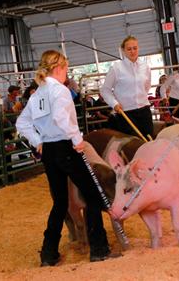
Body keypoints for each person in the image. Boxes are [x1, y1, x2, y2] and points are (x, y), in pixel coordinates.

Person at [16, 50, 121, 266]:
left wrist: (38, 142)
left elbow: (22, 124)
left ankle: (48, 254)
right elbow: (61, 118)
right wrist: (76, 140)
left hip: (49, 152)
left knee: (60, 203)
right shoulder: (60, 91)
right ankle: (99, 249)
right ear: (58, 67)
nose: (67, 73)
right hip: (66, 147)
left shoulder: (37, 94)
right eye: (66, 68)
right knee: (92, 195)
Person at [101, 35, 153, 140]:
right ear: (123, 51)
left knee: (149, 141)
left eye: (135, 48)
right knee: (132, 145)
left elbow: (146, 87)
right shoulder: (116, 68)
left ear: (138, 48)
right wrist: (114, 104)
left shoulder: (145, 67)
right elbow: (105, 90)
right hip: (125, 113)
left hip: (144, 111)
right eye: (129, 49)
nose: (132, 51)